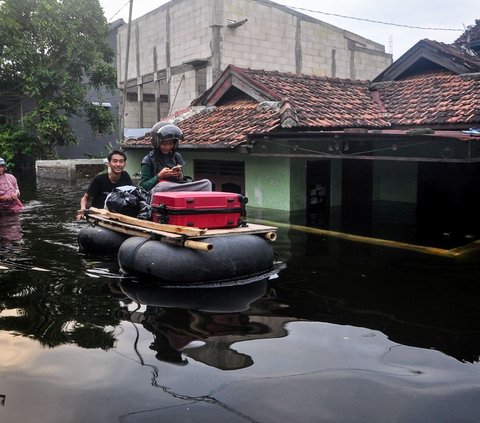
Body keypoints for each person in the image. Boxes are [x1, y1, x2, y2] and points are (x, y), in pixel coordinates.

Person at [139, 123, 211, 194]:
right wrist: (159, 176)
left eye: (171, 144)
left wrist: (180, 175)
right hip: (161, 189)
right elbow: (144, 186)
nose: (167, 147)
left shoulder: (177, 156)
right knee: (163, 186)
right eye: (164, 144)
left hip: (177, 187)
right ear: (156, 142)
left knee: (206, 183)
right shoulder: (148, 160)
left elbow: (182, 180)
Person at [76, 149, 133, 220]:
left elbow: (133, 196)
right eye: (115, 161)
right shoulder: (99, 179)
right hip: (98, 215)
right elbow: (85, 198)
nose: (118, 164)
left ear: (124, 164)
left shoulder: (125, 176)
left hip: (117, 215)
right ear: (108, 164)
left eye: (121, 161)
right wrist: (83, 209)